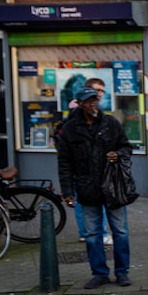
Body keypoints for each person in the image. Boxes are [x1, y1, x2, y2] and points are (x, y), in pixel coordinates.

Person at [56, 86, 134, 289]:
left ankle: (122, 272)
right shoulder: (71, 129)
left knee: (120, 231)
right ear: (79, 104)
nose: (93, 104)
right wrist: (67, 192)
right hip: (86, 187)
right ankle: (99, 273)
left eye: (95, 100)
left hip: (112, 187)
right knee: (92, 234)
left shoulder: (110, 123)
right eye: (88, 101)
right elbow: (64, 163)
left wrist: (117, 154)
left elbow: (126, 147)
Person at [58, 77, 110, 245]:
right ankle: (94, 232)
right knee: (86, 202)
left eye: (102, 91)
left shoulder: (97, 113)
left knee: (88, 201)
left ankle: (89, 232)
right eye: (96, 91)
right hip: (81, 168)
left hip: (91, 167)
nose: (99, 94)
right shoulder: (79, 114)